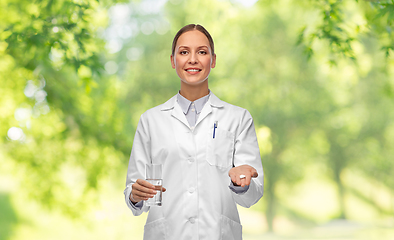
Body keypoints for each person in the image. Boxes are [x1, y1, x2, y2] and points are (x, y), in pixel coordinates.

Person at [124, 24, 264, 240]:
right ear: (173, 61)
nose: (192, 59)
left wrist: (241, 183)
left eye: (202, 52)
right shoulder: (151, 120)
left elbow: (252, 196)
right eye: (183, 52)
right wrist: (135, 195)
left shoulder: (238, 118)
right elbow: (135, 197)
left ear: (213, 60)